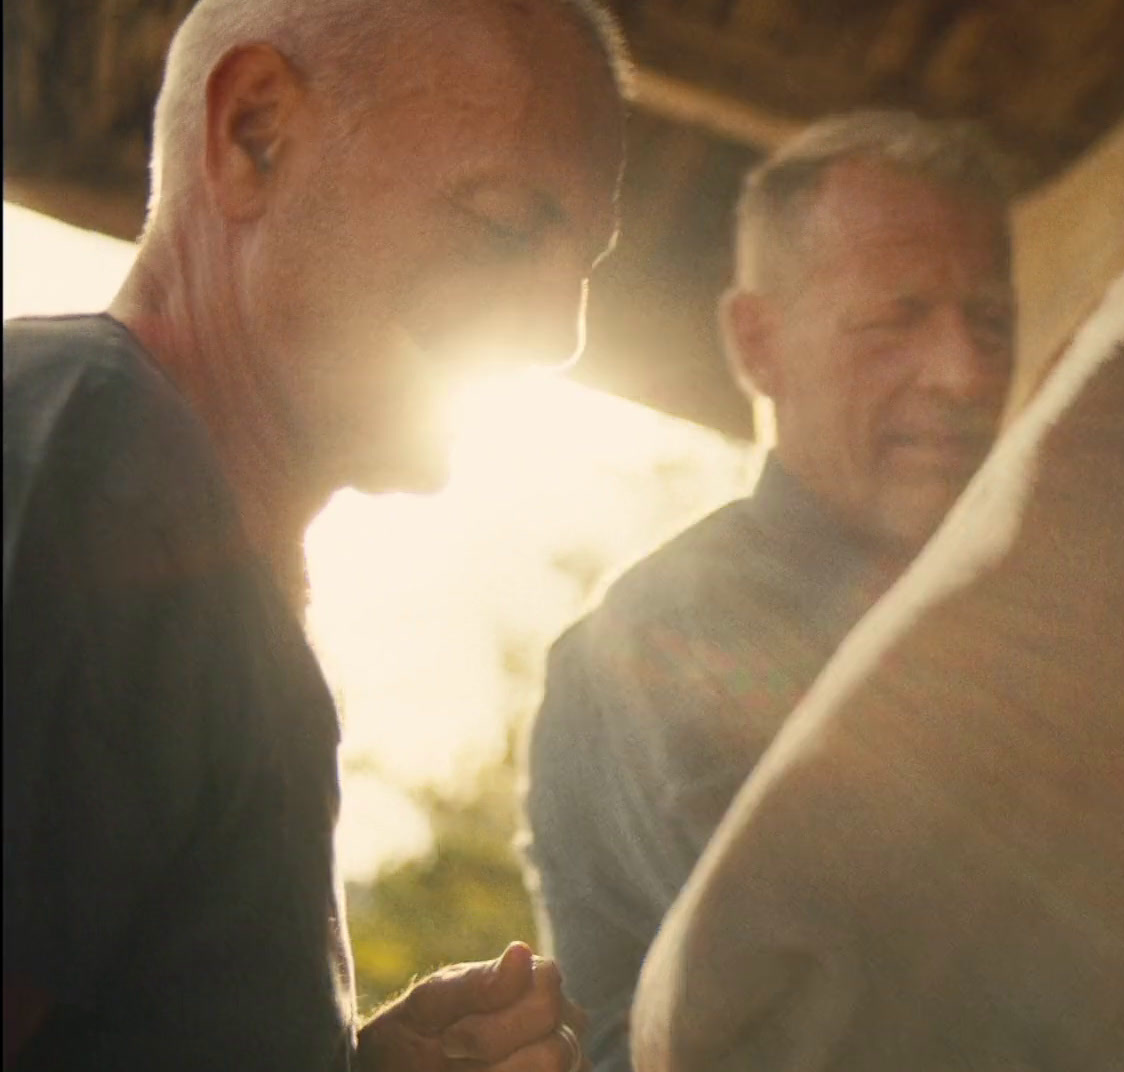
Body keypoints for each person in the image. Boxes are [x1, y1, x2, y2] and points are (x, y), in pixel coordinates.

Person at [2, 1, 625, 1069]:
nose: (563, 335)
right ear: (255, 133)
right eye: (508, 221)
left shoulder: (167, 519)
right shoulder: (95, 455)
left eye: (584, 265)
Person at [519, 110, 1018, 1072]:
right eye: (894, 318)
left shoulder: (1045, 611)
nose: (965, 373)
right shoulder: (661, 638)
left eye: (990, 322)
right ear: (758, 342)